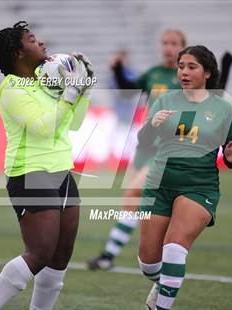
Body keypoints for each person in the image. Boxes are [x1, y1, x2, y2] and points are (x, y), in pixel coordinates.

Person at [0, 21, 94, 310]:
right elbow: (43, 127)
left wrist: (82, 92)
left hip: (62, 171)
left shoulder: (45, 81)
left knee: (60, 255)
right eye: (33, 40)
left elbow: (74, 124)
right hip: (30, 173)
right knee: (40, 252)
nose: (42, 43)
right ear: (18, 53)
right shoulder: (11, 89)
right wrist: (70, 94)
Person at [137, 45, 232, 309]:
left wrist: (230, 158)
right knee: (148, 263)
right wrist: (152, 126)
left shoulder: (223, 108)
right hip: (158, 185)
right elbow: (144, 141)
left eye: (191, 67)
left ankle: (161, 305)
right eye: (181, 66)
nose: (184, 72)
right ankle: (163, 282)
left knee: (174, 247)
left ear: (207, 72)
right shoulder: (164, 101)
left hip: (199, 186)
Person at [87, 29, 187, 270]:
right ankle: (109, 256)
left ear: (183, 46)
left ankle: (125, 256)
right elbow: (126, 89)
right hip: (146, 148)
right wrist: (117, 69)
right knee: (133, 202)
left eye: (174, 43)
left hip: (168, 149)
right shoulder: (154, 74)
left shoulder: (186, 77)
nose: (168, 47)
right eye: (164, 42)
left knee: (135, 193)